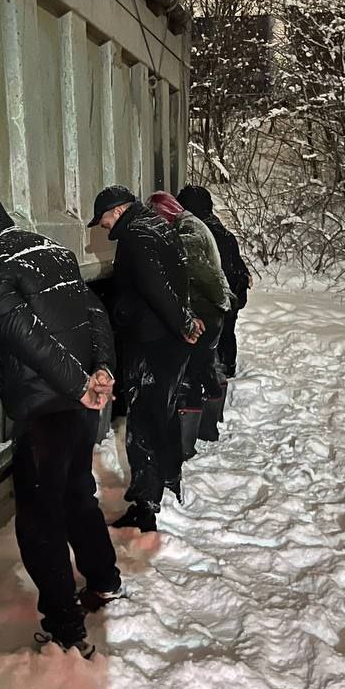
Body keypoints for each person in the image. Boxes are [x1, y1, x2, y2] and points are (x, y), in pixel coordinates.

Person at [0, 177, 122, 658]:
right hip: (77, 404)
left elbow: (14, 328)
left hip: (45, 410)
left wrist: (77, 383)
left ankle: (65, 628)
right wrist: (100, 369)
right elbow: (95, 312)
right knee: (77, 492)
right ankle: (104, 579)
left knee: (39, 520)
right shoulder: (50, 249)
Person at [88, 185, 201, 532]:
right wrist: (184, 319)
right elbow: (178, 281)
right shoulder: (158, 226)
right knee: (162, 414)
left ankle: (145, 506)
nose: (103, 226)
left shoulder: (135, 236)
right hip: (166, 343)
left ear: (117, 211)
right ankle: (168, 480)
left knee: (142, 424)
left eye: (103, 219)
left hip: (150, 343)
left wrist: (181, 322)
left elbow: (156, 287)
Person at [147, 192, 231, 457]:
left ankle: (185, 445)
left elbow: (199, 270)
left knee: (190, 374)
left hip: (203, 310)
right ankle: (208, 428)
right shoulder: (193, 224)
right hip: (210, 309)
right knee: (204, 368)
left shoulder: (188, 230)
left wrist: (219, 300)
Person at [176, 185, 252, 378]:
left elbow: (205, 270)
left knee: (214, 339)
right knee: (227, 333)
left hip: (217, 296)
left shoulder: (196, 231)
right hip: (233, 290)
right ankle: (228, 366)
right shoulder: (220, 229)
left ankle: (221, 372)